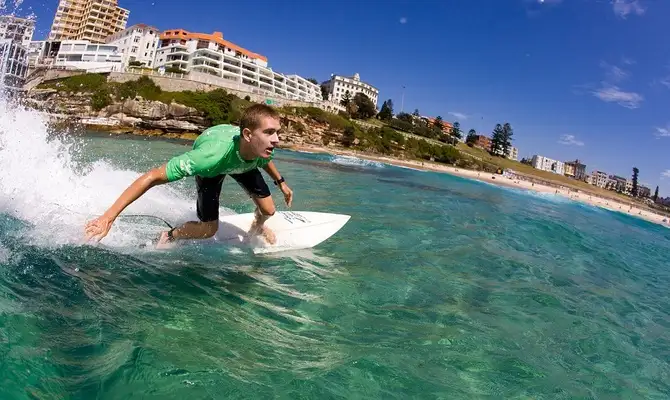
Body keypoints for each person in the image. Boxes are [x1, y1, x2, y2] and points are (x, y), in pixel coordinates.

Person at [84, 104, 293, 247]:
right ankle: (170, 234)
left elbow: (265, 161)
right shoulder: (207, 158)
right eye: (269, 132)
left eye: (277, 133)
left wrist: (281, 183)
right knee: (208, 229)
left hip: (241, 163)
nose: (276, 140)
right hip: (214, 167)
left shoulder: (261, 148)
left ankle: (257, 227)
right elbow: (152, 177)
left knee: (268, 209)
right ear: (248, 135)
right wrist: (108, 217)